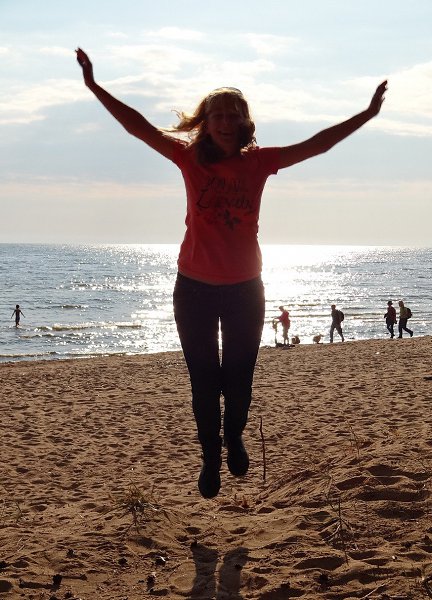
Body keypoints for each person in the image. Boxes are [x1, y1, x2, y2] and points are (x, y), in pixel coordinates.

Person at [76, 47, 387, 498]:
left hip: (245, 288)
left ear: (244, 122)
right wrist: (94, 85)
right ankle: (209, 457)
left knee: (239, 378)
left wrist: (367, 114)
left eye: (232, 115)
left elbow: (317, 144)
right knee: (204, 382)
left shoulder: (259, 162)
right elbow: (138, 127)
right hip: (194, 289)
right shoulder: (188, 158)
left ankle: (234, 437)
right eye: (217, 115)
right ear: (205, 122)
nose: (224, 122)